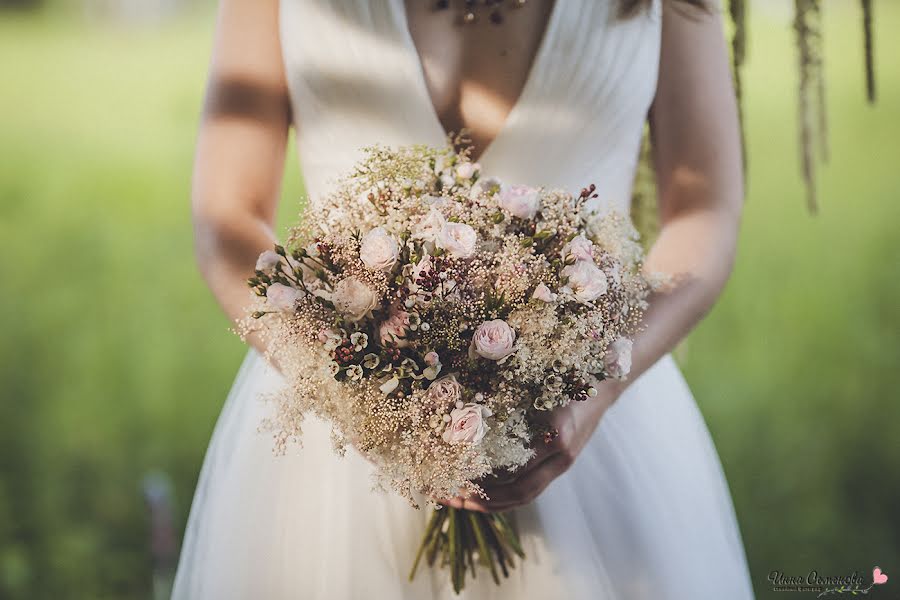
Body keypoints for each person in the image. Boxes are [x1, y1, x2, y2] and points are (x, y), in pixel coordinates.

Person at [173, 0, 755, 597]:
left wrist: (591, 389)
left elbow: (703, 209)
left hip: (597, 413)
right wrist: (354, 390)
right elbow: (227, 214)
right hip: (333, 449)